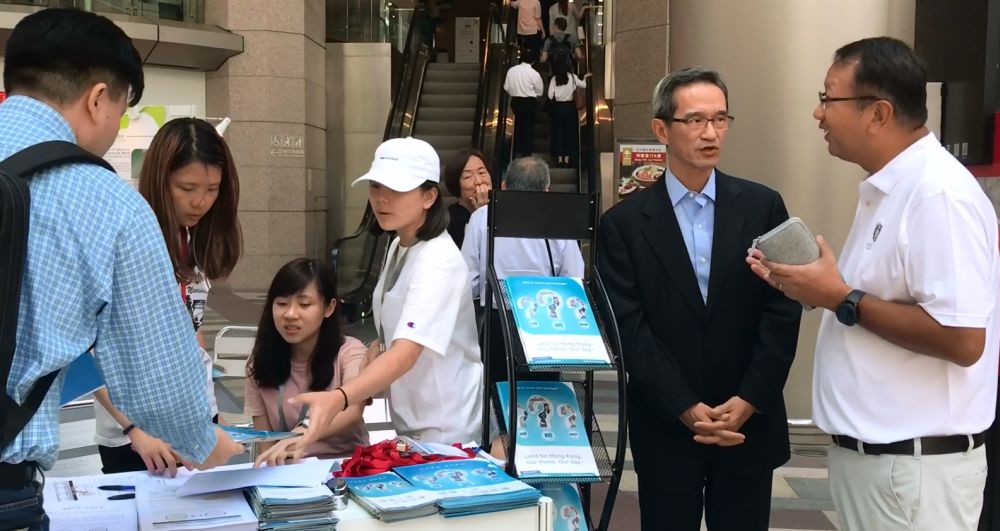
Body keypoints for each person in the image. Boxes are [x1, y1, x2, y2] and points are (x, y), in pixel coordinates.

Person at [0, 8, 242, 528]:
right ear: (97, 98)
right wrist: (220, 453)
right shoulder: (106, 202)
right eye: (121, 109)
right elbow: (159, 379)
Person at [747, 37, 1000, 531]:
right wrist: (819, 291)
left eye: (828, 98)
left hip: (913, 473)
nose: (818, 114)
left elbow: (963, 338)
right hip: (884, 467)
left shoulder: (937, 195)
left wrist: (841, 298)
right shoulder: (893, 187)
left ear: (878, 113)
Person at [596, 67, 802, 531]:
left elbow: (783, 309)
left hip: (746, 423)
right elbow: (627, 325)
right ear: (660, 129)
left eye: (720, 119)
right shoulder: (624, 225)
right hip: (667, 424)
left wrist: (749, 398)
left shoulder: (762, 206)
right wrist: (684, 405)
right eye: (694, 120)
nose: (710, 133)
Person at [290, 137, 484, 448]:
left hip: (448, 428)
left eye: (397, 189)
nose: (382, 199)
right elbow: (387, 336)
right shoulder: (398, 244)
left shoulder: (438, 261)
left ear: (429, 196)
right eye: (376, 186)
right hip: (412, 421)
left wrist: (340, 398)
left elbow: (405, 352)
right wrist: (355, 385)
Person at [91, 117, 242, 476]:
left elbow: (191, 326)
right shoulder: (122, 238)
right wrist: (134, 429)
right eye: (186, 187)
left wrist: (206, 410)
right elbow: (87, 351)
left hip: (195, 418)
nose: (200, 201)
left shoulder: (191, 238)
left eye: (212, 189)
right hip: (136, 433)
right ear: (160, 180)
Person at [461, 156, 585, 382]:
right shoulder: (560, 220)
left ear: (504, 186)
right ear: (546, 190)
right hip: (547, 322)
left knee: (497, 391)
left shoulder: (481, 218)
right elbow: (574, 277)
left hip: (498, 321)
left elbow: (468, 282)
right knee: (542, 390)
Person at [246, 258, 370, 467]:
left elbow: (353, 409)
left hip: (346, 468)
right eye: (282, 303)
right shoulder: (258, 363)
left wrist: (304, 432)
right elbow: (264, 441)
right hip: (288, 473)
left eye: (304, 304)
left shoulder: (350, 352)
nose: (290, 314)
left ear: (329, 308)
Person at [442, 148, 492, 248]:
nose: (478, 181)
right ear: (456, 185)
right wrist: (482, 213)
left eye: (482, 173)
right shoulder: (450, 220)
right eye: (468, 177)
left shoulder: (504, 212)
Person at [547, 61, 590, 168]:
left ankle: (559, 159)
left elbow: (550, 95)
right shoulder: (572, 77)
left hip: (558, 109)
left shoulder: (554, 79)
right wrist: (584, 77)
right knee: (569, 134)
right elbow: (584, 85)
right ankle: (567, 159)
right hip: (570, 109)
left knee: (558, 133)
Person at [504, 55, 545, 158]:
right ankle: (526, 152)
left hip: (516, 101)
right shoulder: (534, 73)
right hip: (529, 102)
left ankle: (516, 148)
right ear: (533, 62)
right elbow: (540, 91)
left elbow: (506, 87)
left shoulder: (511, 70)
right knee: (528, 126)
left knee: (517, 124)